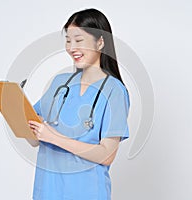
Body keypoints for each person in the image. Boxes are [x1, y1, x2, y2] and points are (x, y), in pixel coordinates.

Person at [26, 8, 130, 200]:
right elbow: (34, 138)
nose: (72, 47)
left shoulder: (114, 91)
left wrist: (53, 137)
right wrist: (12, 104)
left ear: (100, 42)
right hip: (48, 191)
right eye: (68, 40)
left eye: (79, 40)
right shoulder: (60, 84)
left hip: (86, 193)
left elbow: (107, 155)